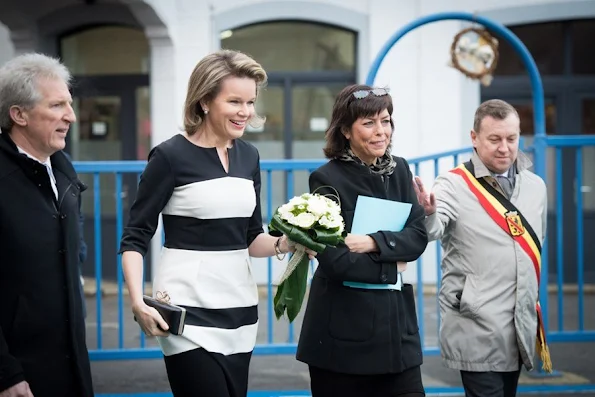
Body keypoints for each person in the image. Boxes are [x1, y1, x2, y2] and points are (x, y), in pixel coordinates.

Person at [119, 50, 312, 397]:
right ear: (205, 101)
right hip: (186, 314)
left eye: (250, 102)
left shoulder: (249, 156)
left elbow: (252, 238)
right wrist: (137, 301)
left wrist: (290, 242)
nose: (245, 112)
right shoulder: (169, 157)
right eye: (235, 101)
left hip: (239, 312)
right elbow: (135, 237)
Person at [296, 84, 428, 397]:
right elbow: (337, 260)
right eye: (368, 123)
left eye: (386, 120)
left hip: (398, 337)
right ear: (345, 130)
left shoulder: (401, 170)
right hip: (343, 341)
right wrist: (396, 263)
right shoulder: (327, 179)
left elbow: (418, 236)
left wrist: (372, 242)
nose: (381, 131)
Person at [413, 99, 549, 397]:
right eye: (494, 139)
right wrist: (427, 211)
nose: (504, 148)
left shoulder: (536, 185)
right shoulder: (452, 184)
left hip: (519, 324)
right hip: (476, 322)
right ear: (474, 138)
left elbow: (535, 245)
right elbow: (432, 230)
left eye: (511, 139)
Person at [0, 54, 94, 397]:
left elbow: (73, 239)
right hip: (18, 370)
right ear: (19, 115)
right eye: (57, 105)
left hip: (71, 359)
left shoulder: (63, 167)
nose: (70, 116)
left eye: (69, 104)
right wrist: (5, 374)